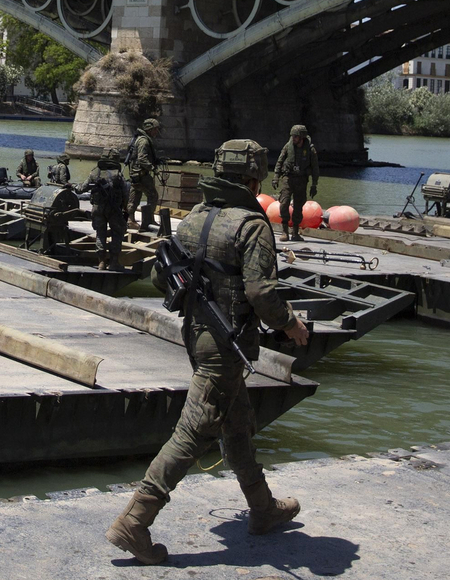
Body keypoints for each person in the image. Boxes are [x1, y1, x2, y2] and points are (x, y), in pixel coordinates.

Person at [106, 139, 309, 564]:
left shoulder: (193, 219)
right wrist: (290, 323)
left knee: (237, 427)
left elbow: (165, 281)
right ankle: (135, 520)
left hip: (198, 337)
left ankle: (262, 508)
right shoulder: (252, 225)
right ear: (255, 178)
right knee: (192, 432)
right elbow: (261, 292)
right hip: (226, 346)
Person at [84, 148, 130, 269]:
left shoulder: (95, 172)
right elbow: (126, 193)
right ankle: (114, 263)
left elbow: (83, 187)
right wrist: (125, 207)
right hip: (114, 209)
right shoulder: (118, 175)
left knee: (100, 234)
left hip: (98, 209)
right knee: (117, 233)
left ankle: (101, 262)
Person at [274, 124, 320, 242]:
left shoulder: (310, 149)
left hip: (301, 180)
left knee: (298, 206)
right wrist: (276, 177)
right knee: (284, 203)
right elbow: (280, 161)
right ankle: (284, 231)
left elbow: (315, 168)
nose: (293, 138)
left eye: (296, 136)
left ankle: (295, 232)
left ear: (302, 137)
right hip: (288, 178)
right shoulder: (287, 146)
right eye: (292, 136)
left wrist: (314, 185)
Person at [126, 117, 161, 232]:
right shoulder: (144, 141)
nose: (157, 132)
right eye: (155, 129)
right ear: (150, 129)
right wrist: (153, 168)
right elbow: (142, 159)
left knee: (135, 196)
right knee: (153, 195)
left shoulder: (140, 139)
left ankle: (130, 220)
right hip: (142, 175)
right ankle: (148, 219)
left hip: (136, 174)